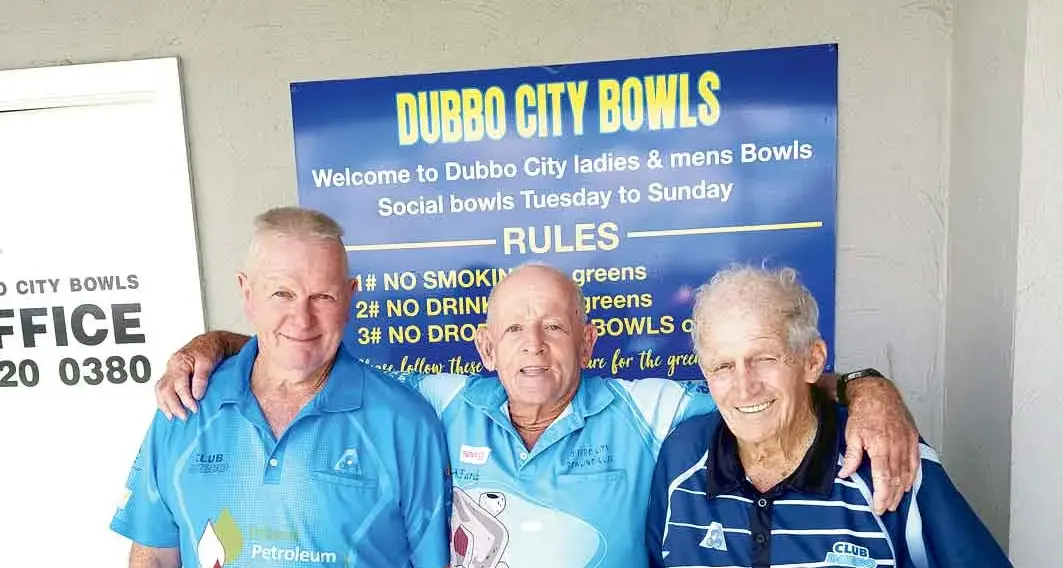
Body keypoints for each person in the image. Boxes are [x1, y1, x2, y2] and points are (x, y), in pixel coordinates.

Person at [155, 254, 919, 567]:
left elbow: (757, 390)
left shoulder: (649, 408)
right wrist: (217, 343)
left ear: (587, 341)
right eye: (514, 330)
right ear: (484, 348)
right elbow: (312, 360)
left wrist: (867, 388)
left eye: (554, 327)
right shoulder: (436, 402)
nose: (533, 345)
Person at [110, 207, 451, 568]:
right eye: (282, 293)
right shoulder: (186, 404)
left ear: (350, 298)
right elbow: (154, 555)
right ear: (247, 293)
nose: (302, 320)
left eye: (323, 297)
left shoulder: (407, 423)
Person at [646, 265, 1011, 568]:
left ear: (813, 360)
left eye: (765, 359)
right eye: (724, 366)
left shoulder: (886, 455)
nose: (744, 388)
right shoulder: (681, 457)